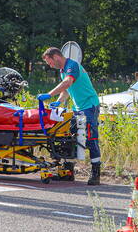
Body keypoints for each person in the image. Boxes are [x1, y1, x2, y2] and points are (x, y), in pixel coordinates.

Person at [40, 47, 102, 185]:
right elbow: (67, 89)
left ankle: (96, 173)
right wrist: (58, 101)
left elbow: (67, 82)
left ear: (56, 57)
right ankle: (67, 172)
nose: (50, 66)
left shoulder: (72, 66)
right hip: (78, 108)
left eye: (50, 62)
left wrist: (49, 95)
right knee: (68, 137)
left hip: (89, 106)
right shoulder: (63, 71)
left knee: (90, 138)